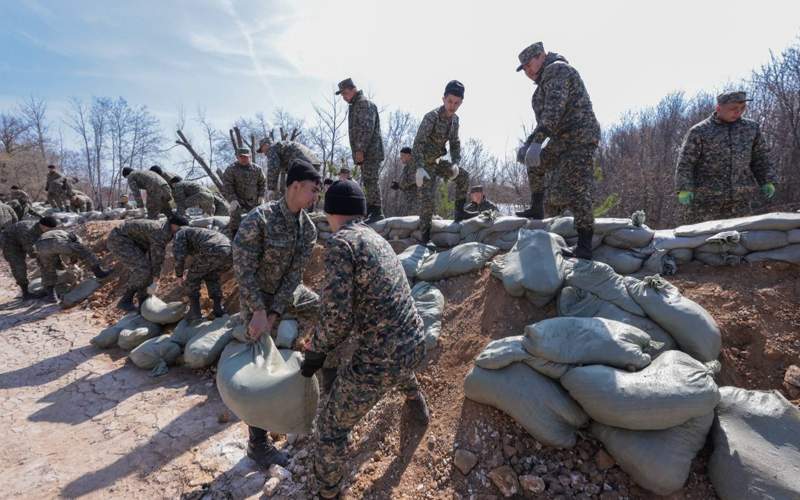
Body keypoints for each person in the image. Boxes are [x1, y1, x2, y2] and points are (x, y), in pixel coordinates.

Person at [300, 180, 430, 499]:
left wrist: (315, 351)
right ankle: (417, 404)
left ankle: (327, 493)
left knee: (329, 430)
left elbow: (336, 317)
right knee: (395, 358)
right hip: (415, 342)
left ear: (329, 212)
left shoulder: (341, 244)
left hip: (383, 358)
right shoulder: (376, 237)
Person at [232, 159, 322, 469]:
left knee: (324, 309)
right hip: (254, 295)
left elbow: (295, 276)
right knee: (261, 359)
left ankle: (316, 377)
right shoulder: (260, 218)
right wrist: (259, 311)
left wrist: (276, 311)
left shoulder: (307, 228)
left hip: (282, 295)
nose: (315, 197)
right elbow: (243, 269)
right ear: (294, 186)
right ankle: (257, 443)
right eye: (312, 190)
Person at [514, 41, 601, 260]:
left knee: (577, 187)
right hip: (562, 139)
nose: (526, 71)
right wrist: (529, 144)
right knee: (533, 161)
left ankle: (584, 246)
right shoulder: (543, 83)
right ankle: (536, 207)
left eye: (528, 65)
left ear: (541, 56)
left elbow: (553, 111)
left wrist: (538, 140)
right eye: (523, 68)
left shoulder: (558, 70)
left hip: (580, 136)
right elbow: (545, 120)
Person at [675, 91, 776, 223]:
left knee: (740, 239)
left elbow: (761, 158)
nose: (738, 112)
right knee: (706, 239)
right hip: (707, 201)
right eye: (733, 109)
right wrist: (684, 188)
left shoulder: (751, 129)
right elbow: (686, 163)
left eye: (742, 108)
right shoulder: (700, 131)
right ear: (718, 108)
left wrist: (767, 180)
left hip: (742, 199)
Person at [412, 80, 470, 241]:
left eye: (457, 103)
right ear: (443, 99)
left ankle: (459, 215)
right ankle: (425, 238)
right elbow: (418, 144)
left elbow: (455, 143)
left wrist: (456, 162)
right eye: (450, 101)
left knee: (464, 176)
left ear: (461, 103)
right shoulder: (432, 117)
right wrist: (418, 167)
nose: (452, 106)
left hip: (436, 162)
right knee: (428, 200)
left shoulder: (455, 120)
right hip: (422, 164)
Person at [106, 214, 188, 311]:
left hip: (133, 241)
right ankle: (125, 300)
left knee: (148, 270)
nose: (182, 231)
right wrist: (157, 278)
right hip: (119, 240)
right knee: (143, 269)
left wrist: (155, 276)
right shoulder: (161, 232)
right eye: (181, 228)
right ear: (174, 225)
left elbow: (154, 256)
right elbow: (157, 256)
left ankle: (143, 300)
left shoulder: (167, 230)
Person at [337, 78, 385, 223]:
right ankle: (372, 209)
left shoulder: (363, 104)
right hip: (366, 152)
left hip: (370, 151)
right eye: (342, 95)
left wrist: (360, 150)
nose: (344, 97)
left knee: (371, 180)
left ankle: (377, 211)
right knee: (368, 181)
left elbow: (366, 129)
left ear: (353, 89)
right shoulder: (356, 104)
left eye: (345, 93)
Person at [34, 229, 111, 303]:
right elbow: (77, 245)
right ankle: (99, 273)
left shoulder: (49, 234)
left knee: (47, 269)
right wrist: (74, 259)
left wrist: (69, 260)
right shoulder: (66, 234)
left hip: (40, 246)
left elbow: (57, 256)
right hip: (57, 242)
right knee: (86, 253)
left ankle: (52, 297)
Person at [173, 226, 232, 322]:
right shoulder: (200, 232)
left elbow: (179, 256)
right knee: (212, 276)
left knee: (191, 278)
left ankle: (195, 312)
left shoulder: (180, 234)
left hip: (213, 248)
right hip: (229, 252)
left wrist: (179, 275)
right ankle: (218, 309)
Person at [1, 216, 59, 300]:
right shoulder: (28, 231)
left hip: (22, 239)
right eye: (48, 229)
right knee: (18, 266)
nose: (49, 231)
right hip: (9, 242)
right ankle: (25, 293)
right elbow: (32, 253)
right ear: (42, 226)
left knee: (45, 259)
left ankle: (49, 290)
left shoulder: (42, 229)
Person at [221, 147, 266, 237]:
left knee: (261, 219)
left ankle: (260, 237)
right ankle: (235, 238)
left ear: (250, 157)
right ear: (237, 157)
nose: (244, 159)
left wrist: (261, 196)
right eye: (241, 157)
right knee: (235, 218)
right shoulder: (231, 169)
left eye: (246, 157)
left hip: (254, 200)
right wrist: (232, 199)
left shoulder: (257, 169)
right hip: (238, 201)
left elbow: (263, 183)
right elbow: (227, 185)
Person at [389, 147, 417, 216]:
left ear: (409, 155)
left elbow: (414, 180)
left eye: (402, 156)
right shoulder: (407, 167)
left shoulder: (414, 165)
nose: (401, 158)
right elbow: (407, 185)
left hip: (417, 201)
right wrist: (398, 186)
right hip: (410, 200)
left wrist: (399, 185)